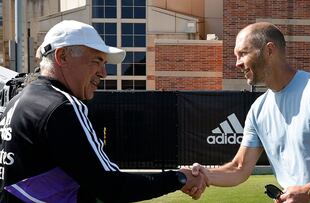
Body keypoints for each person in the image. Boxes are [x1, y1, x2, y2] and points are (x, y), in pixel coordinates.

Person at [0, 20, 206, 203]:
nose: (104, 73)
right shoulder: (63, 107)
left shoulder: (19, 100)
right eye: (96, 61)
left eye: (104, 63)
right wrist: (179, 178)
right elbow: (112, 186)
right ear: (62, 56)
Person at [190, 22, 310, 203]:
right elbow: (239, 168)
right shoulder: (258, 109)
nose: (237, 63)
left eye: (243, 54)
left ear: (269, 50)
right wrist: (204, 174)